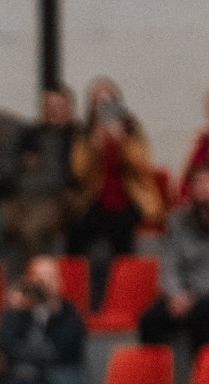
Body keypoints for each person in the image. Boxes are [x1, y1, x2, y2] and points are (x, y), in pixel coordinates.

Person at [138, 164, 209, 349]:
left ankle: (206, 375)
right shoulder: (178, 220)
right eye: (198, 183)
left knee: (201, 316)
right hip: (183, 291)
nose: (204, 188)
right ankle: (157, 375)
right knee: (149, 320)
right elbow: (169, 263)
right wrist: (175, 294)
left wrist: (194, 296)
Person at [69, 78, 163, 291]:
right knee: (76, 228)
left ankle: (125, 291)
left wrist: (122, 142)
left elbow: (142, 165)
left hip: (130, 200)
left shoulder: (132, 130)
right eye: (98, 103)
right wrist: (94, 146)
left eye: (108, 101)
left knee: (121, 228)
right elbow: (78, 173)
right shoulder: (84, 134)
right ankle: (76, 292)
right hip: (95, 201)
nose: (104, 108)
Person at [0, 86, 81, 267]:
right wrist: (21, 163)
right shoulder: (28, 133)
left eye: (59, 106)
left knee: (31, 230)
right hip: (18, 198)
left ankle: (33, 287)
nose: (53, 111)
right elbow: (4, 166)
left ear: (69, 108)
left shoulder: (77, 136)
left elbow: (79, 174)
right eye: (49, 106)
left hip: (52, 200)